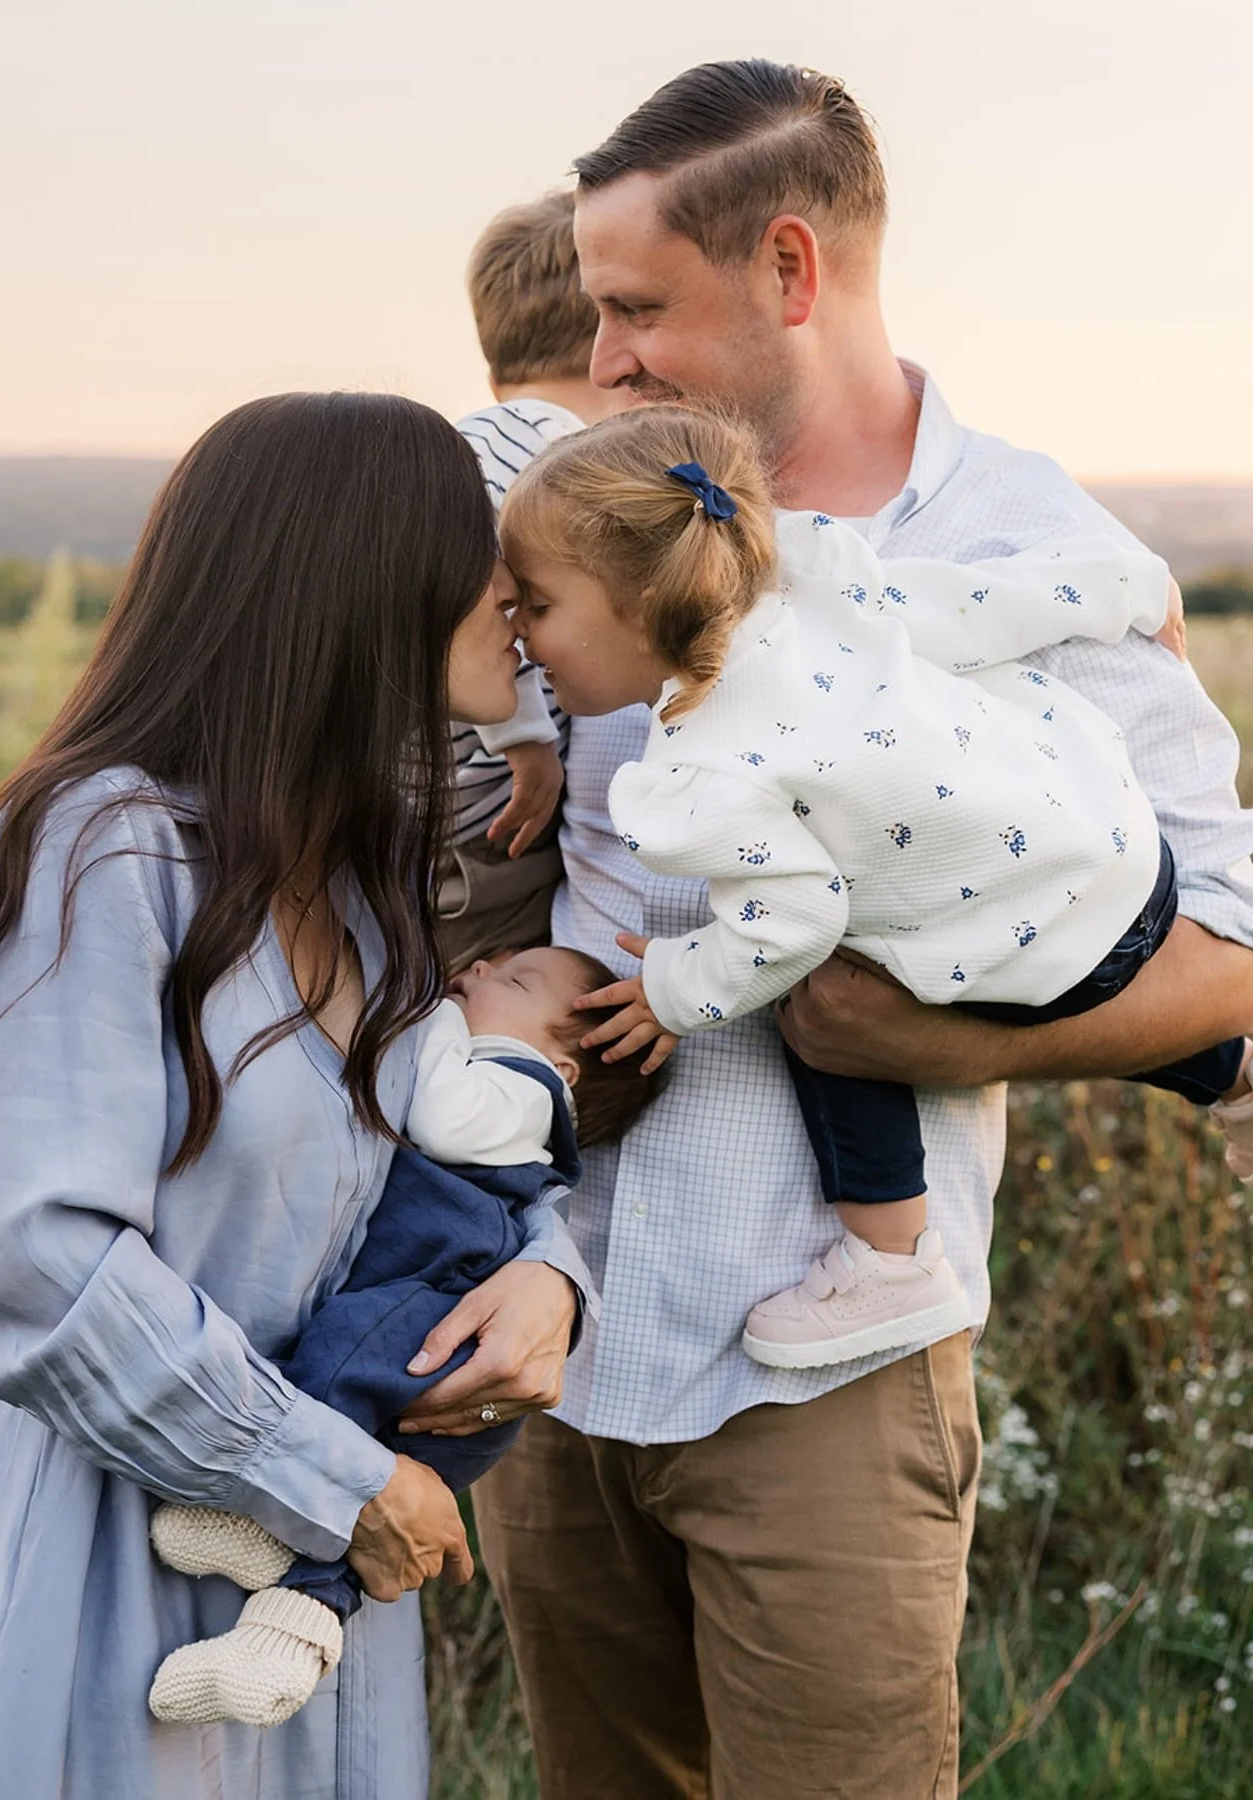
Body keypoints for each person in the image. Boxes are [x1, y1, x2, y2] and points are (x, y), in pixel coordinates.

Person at [470, 61, 1253, 1800]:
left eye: (635, 312)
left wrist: (945, 1044)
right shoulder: (575, 502)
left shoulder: (1022, 548)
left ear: (793, 270)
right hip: (547, 1340)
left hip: (824, 1378)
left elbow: (1244, 960)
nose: (598, 362)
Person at [0, 392, 591, 1800]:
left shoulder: (365, 882)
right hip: (115, 1548)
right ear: (365, 577)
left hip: (319, 1582)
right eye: (479, 553)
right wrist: (331, 1480)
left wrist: (553, 1281)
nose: (513, 589)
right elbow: (42, 1266)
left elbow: (447, 1156)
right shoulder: (99, 849)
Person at [500, 401, 1253, 1372]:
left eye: (538, 604)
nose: (520, 635)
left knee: (832, 1005)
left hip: (1030, 930)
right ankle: (1233, 1066)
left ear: (636, 610)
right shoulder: (814, 585)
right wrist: (1127, 589)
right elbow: (977, 607)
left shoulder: (719, 768)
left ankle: (891, 1257)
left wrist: (676, 988)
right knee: (962, 921)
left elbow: (790, 922)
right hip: (1109, 843)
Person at [144, 945, 662, 1728]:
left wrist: (437, 1014)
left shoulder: (526, 1087)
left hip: (427, 1312)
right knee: (362, 1444)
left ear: (568, 1066)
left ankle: (256, 1519)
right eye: (488, 965)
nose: (479, 973)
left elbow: (439, 1115)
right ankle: (286, 1639)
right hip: (425, 1318)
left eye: (515, 982)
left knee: (341, 1354)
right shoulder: (501, 1065)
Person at [442, 190, 630, 968]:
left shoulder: (474, 439)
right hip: (481, 835)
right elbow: (472, 593)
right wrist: (528, 746)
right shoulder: (550, 459)